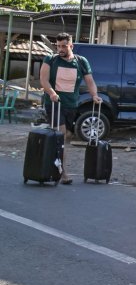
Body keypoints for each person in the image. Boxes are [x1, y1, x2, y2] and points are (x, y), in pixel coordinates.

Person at [40, 33, 103, 185]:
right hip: (54, 103)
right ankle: (62, 173)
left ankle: (49, 162)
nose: (60, 49)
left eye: (64, 46)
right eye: (58, 46)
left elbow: (90, 81)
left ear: (71, 46)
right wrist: (52, 93)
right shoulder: (51, 60)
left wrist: (94, 95)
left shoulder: (81, 62)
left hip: (71, 105)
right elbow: (43, 80)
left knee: (66, 136)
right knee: (61, 136)